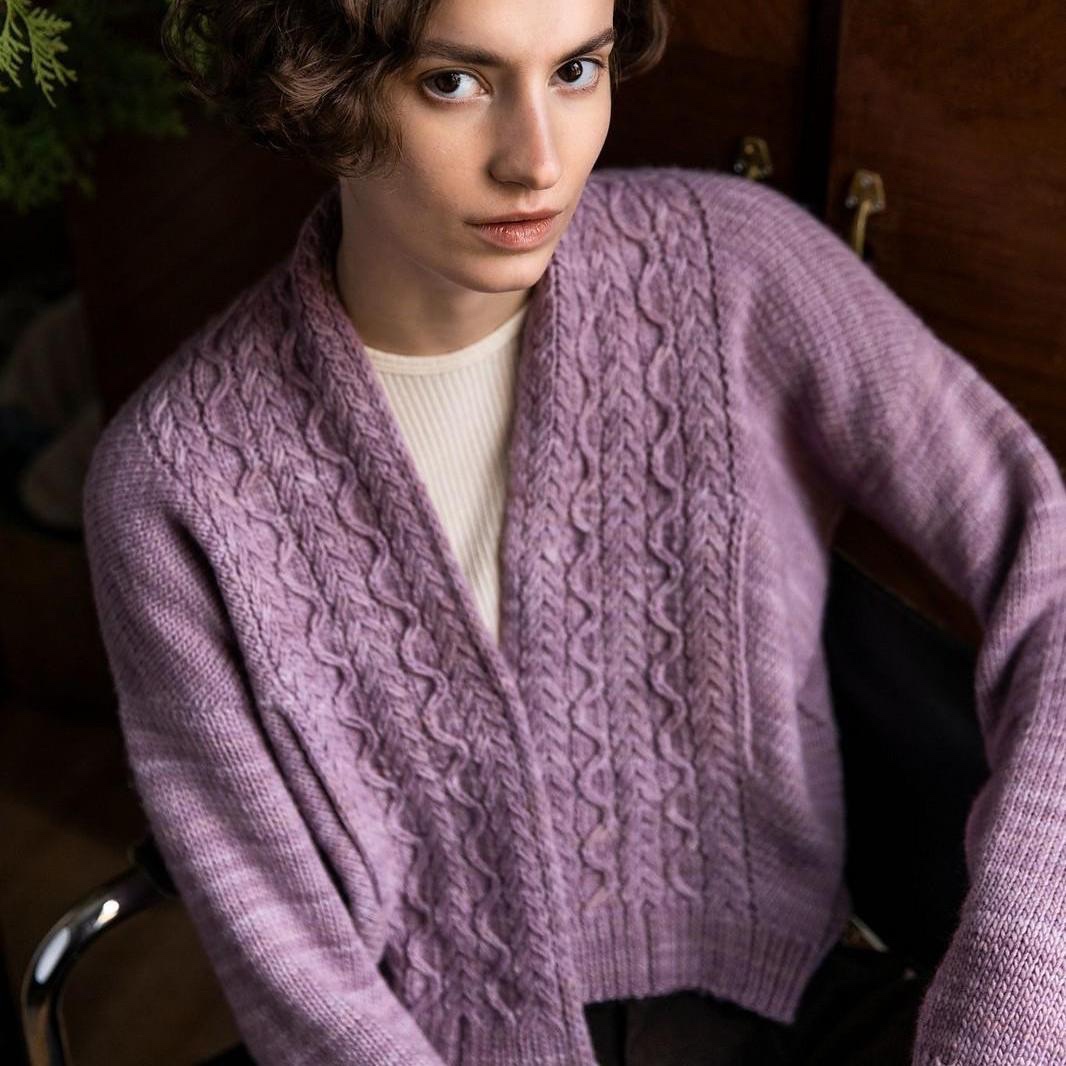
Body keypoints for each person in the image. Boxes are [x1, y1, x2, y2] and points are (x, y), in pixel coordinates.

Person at [80, 0, 1066, 1063]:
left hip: (792, 1007)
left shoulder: (735, 266)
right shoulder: (174, 484)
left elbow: (1047, 558)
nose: (538, 163)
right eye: (454, 83)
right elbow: (292, 965)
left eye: (576, 71)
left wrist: (1015, 979)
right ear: (321, 82)